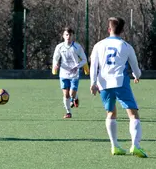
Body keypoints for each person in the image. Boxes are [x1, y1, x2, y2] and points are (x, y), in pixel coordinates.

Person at [90, 17, 147, 158]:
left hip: (103, 84)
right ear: (122, 30)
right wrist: (137, 76)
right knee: (133, 114)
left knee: (111, 113)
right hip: (120, 82)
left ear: (109, 29)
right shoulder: (126, 46)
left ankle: (114, 146)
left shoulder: (98, 45)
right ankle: (135, 145)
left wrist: (93, 83)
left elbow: (94, 66)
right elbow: (136, 68)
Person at [52, 27, 87, 118]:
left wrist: (77, 66)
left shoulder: (77, 47)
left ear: (72, 36)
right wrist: (55, 64)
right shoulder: (59, 47)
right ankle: (68, 112)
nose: (68, 36)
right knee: (66, 94)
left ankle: (75, 98)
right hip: (63, 74)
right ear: (63, 36)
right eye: (66, 34)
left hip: (74, 74)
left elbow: (84, 60)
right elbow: (55, 58)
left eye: (70, 35)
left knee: (72, 93)